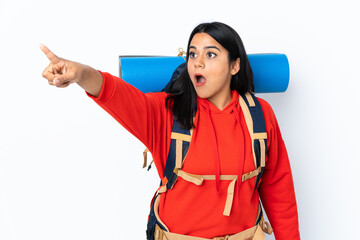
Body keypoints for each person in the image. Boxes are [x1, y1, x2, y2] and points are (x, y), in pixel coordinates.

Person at [41, 22, 300, 240]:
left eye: (210, 55)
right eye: (192, 54)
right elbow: (118, 95)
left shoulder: (259, 114)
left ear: (234, 66)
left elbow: (278, 186)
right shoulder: (166, 112)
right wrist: (81, 74)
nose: (198, 63)